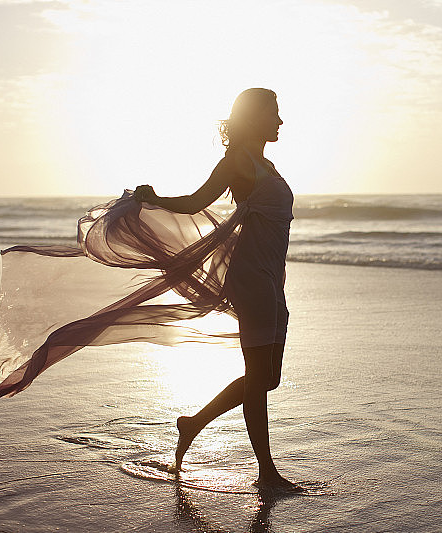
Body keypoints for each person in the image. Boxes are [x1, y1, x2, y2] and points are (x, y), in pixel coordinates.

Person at [134, 88, 297, 491]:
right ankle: (267, 473)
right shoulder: (237, 162)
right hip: (251, 278)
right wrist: (154, 199)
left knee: (269, 377)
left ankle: (192, 423)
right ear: (254, 116)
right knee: (258, 376)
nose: (280, 121)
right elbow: (195, 202)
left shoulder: (267, 164)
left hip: (272, 279)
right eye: (273, 112)